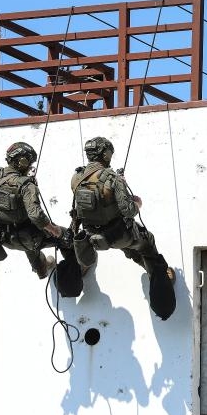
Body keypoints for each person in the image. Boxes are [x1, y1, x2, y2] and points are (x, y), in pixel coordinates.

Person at [70, 136, 176, 318]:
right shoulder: (112, 178)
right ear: (106, 154)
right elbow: (128, 211)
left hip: (93, 238)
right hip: (118, 235)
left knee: (130, 248)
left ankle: (86, 268)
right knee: (147, 242)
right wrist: (137, 203)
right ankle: (157, 277)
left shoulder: (77, 178)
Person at [0, 141, 67, 279]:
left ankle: (40, 267)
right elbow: (36, 216)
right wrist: (54, 230)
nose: (30, 166)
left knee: (26, 235)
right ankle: (79, 270)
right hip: (27, 238)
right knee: (67, 236)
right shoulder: (26, 185)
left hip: (5, 238)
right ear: (22, 161)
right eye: (29, 162)